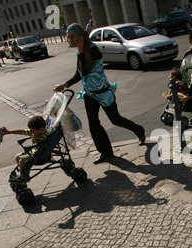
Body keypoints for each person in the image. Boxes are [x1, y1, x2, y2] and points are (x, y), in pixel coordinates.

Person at [54, 23, 145, 165]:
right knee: (93, 124)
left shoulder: (92, 49)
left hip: (103, 93)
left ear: (80, 36)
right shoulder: (80, 52)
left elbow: (85, 70)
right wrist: (64, 84)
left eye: (72, 37)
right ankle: (106, 152)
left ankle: (139, 130)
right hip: (89, 94)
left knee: (116, 120)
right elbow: (79, 75)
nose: (70, 40)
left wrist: (80, 51)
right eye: (68, 37)